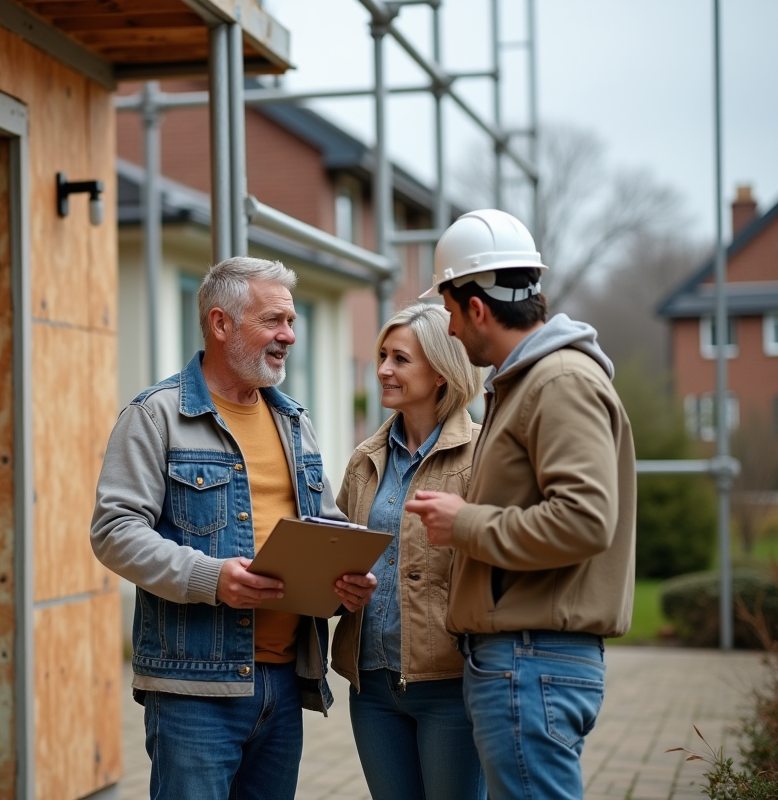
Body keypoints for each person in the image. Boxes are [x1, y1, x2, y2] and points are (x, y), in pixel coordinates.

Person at [91, 256, 371, 800]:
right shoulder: (156, 415)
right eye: (273, 321)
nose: (289, 335)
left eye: (290, 322)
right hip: (195, 689)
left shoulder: (295, 422)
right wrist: (210, 577)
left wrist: (346, 579)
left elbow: (325, 524)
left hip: (287, 685)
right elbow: (114, 530)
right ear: (221, 324)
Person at [405, 209, 636, 800]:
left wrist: (465, 524)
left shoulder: (558, 382)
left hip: (533, 659)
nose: (450, 332)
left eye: (451, 314)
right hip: (526, 661)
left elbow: (586, 519)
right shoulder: (528, 382)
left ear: (477, 308)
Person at [328, 303, 486, 800]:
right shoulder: (365, 460)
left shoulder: (483, 455)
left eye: (399, 359)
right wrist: (339, 586)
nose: (382, 370)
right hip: (371, 683)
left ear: (440, 372)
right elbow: (339, 552)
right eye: (381, 356)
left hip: (451, 685)